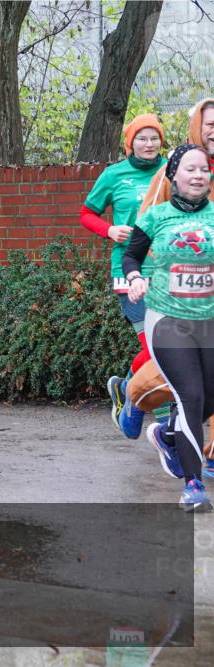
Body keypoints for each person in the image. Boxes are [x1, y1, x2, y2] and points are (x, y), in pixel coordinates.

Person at [123, 144, 213, 512]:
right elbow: (132, 255)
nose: (198, 175)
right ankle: (193, 483)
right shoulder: (155, 217)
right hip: (168, 319)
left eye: (204, 169)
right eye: (190, 169)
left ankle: (167, 433)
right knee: (190, 396)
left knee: (207, 399)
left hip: (209, 319)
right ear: (173, 175)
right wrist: (133, 277)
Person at [78, 114, 167, 435]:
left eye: (154, 138)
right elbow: (87, 213)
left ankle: (126, 389)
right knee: (156, 346)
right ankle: (154, 409)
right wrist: (109, 229)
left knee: (165, 346)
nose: (149, 144)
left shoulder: (171, 170)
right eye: (142, 138)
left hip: (167, 271)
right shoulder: (114, 175)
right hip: (128, 271)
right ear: (130, 143)